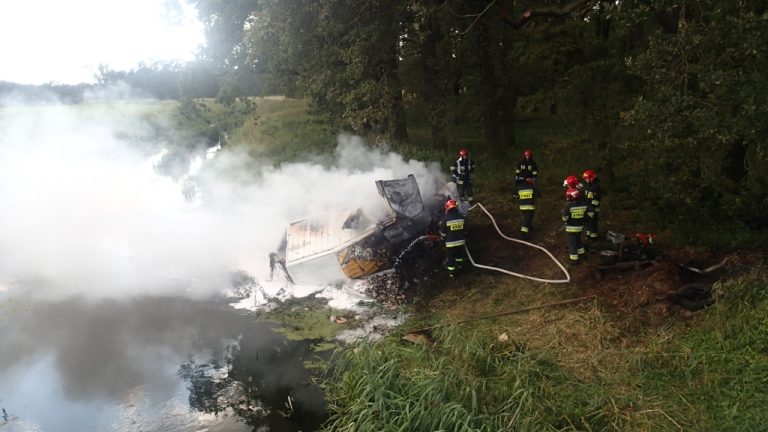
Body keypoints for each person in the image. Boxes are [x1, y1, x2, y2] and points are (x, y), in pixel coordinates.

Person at [439, 198, 466, 278]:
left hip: (451, 243)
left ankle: (452, 273)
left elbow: (443, 233)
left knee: (451, 258)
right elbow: (465, 230)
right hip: (461, 242)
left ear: (447, 208)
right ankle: (461, 267)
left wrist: (442, 239)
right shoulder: (462, 217)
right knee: (459, 256)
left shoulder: (445, 219)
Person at [562, 188, 588, 265]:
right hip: (580, 228)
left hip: (571, 229)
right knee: (578, 241)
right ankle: (582, 254)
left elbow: (564, 218)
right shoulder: (584, 205)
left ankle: (574, 260)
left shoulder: (568, 206)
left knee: (572, 244)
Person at [582, 169, 602, 241]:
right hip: (588, 208)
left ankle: (593, 238)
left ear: (591, 178)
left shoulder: (596, 187)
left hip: (593, 209)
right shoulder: (589, 186)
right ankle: (588, 236)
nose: (585, 180)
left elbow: (596, 200)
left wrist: (592, 209)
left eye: (586, 178)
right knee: (588, 223)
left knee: (593, 223)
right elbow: (587, 197)